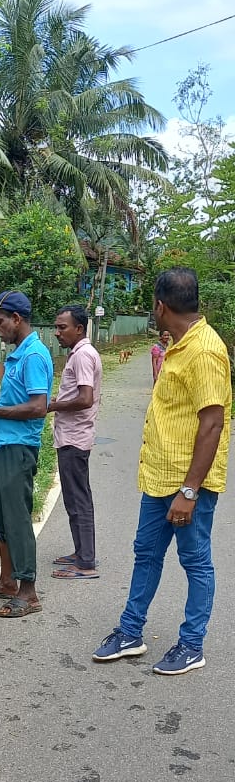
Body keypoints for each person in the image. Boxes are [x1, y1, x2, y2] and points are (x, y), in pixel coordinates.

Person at [93, 267, 231, 675]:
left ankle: (192, 645)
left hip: (189, 484)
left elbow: (213, 423)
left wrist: (189, 491)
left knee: (196, 561)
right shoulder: (179, 345)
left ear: (160, 306)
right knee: (147, 553)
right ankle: (130, 632)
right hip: (159, 478)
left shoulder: (204, 351)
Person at [0, 291, 54, 618]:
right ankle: (7, 582)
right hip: (4, 445)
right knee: (2, 519)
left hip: (18, 448)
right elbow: (19, 399)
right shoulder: (19, 355)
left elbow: (38, 407)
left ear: (16, 319)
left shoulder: (33, 356)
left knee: (17, 519)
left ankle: (28, 592)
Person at [48, 305, 102, 579]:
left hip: (74, 438)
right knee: (74, 498)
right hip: (71, 436)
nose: (57, 333)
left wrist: (52, 406)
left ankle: (86, 563)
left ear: (79, 328)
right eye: (56, 327)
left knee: (78, 499)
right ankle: (82, 552)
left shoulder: (82, 355)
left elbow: (85, 399)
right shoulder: (81, 353)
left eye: (62, 327)